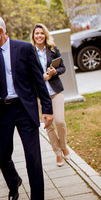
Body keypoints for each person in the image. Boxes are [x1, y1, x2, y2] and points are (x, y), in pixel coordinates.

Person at [0, 15, 53, 200]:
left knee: (33, 159)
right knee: (1, 157)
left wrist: (47, 108)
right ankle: (14, 183)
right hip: (0, 112)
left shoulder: (24, 49)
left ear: (1, 32)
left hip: (23, 109)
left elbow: (38, 81)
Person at [30, 23, 70, 167]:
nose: (39, 36)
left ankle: (64, 145)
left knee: (60, 121)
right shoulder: (30, 52)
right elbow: (28, 75)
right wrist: (42, 77)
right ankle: (58, 153)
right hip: (41, 95)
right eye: (36, 33)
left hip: (56, 91)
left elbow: (63, 67)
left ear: (45, 35)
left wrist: (55, 72)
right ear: (33, 36)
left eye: (41, 33)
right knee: (49, 125)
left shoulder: (53, 49)